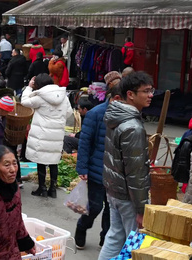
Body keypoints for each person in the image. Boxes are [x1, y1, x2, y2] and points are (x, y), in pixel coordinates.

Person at [98, 72, 153, 260]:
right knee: (135, 242)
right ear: (130, 94)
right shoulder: (133, 127)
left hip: (114, 191)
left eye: (151, 90)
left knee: (115, 236)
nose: (151, 95)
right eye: (146, 91)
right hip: (128, 196)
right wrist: (142, 209)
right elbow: (136, 173)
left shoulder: (116, 115)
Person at [74, 86, 123, 250]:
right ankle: (82, 226)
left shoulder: (127, 115)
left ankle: (106, 239)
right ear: (115, 98)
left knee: (112, 210)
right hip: (97, 170)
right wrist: (82, 168)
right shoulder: (95, 114)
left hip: (117, 173)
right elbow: (85, 143)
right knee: (95, 207)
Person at [21, 73, 73, 198]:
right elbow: (69, 112)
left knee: (41, 161)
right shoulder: (63, 96)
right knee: (54, 161)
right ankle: (53, 189)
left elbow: (24, 102)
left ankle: (42, 188)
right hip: (57, 134)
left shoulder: (40, 97)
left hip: (42, 134)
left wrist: (28, 88)